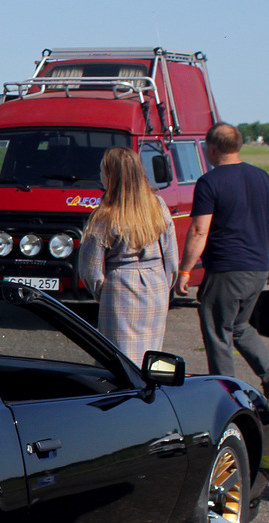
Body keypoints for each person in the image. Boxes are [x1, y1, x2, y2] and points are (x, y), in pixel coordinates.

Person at [174, 122, 269, 406]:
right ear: (237, 146)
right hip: (258, 267)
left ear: (211, 149)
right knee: (239, 325)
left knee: (217, 331)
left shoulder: (210, 182)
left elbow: (200, 230)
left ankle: (226, 395)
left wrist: (185, 270)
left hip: (227, 268)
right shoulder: (263, 177)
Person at [78, 147, 179, 365]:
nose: (100, 176)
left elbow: (91, 270)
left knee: (120, 361)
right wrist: (163, 284)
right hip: (156, 287)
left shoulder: (105, 214)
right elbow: (171, 259)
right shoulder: (158, 205)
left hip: (120, 289)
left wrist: (104, 293)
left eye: (102, 171)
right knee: (151, 358)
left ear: (111, 176)